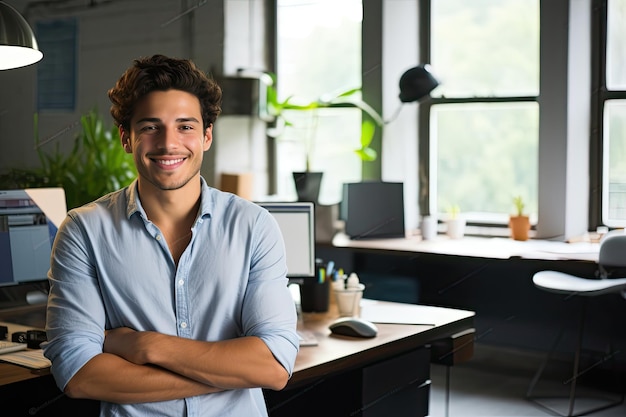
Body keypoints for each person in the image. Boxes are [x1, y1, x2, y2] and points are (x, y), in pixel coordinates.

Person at [43, 54, 300, 417]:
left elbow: (273, 365)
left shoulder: (253, 226)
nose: (168, 143)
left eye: (185, 126)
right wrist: (231, 372)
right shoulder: (84, 231)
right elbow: (79, 373)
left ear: (207, 135)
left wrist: (146, 347)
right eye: (150, 127)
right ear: (126, 139)